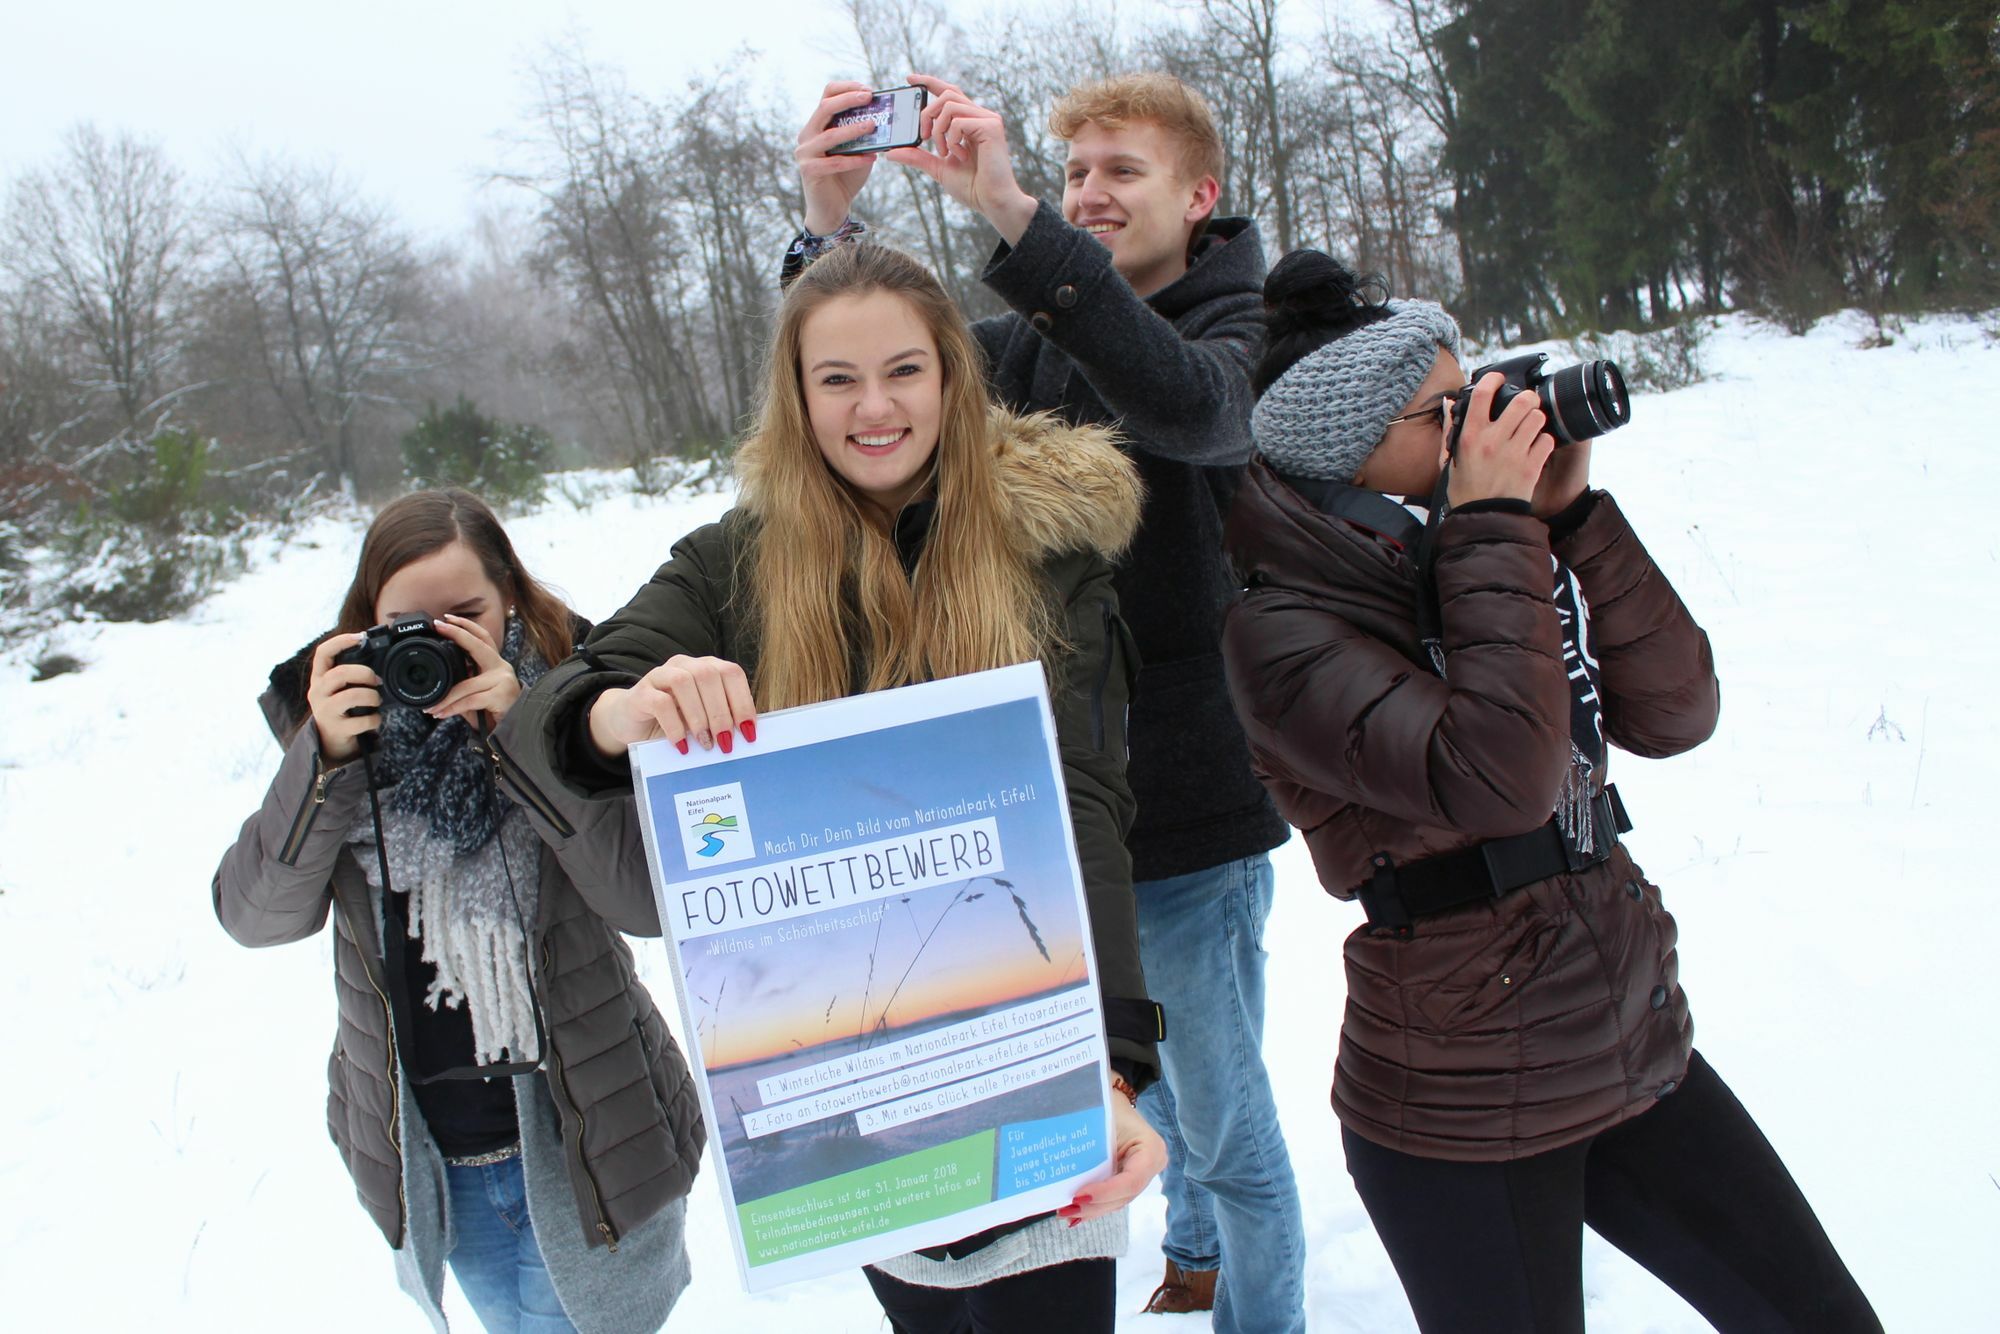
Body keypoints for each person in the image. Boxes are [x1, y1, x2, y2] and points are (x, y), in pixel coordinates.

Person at [500, 242, 1167, 1332]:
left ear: (951, 376)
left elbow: (1084, 806)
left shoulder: (1048, 558)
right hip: (859, 1096)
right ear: (797, 396)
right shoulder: (731, 563)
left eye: (904, 370)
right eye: (838, 379)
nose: (875, 407)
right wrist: (623, 709)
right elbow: (545, 718)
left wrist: (1113, 1065)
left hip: (1020, 1047)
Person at [1219, 250, 1882, 1334]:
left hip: (1624, 1035)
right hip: (1462, 1106)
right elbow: (1500, 779)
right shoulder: (1279, 631)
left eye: (1471, 394)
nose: (1473, 426)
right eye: (1441, 413)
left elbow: (1676, 713)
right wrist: (1492, 524)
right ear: (1349, 452)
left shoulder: (1473, 550)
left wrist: (1569, 518)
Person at [789, 71, 1304, 1330]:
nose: (1089, 194)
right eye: (1074, 174)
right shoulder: (1037, 329)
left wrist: (1013, 212)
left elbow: (1184, 404)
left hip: (1183, 815)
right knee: (1130, 1085)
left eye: (1121, 171)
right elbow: (882, 387)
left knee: (1224, 1124)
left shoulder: (1237, 326)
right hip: (1055, 814)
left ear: (1201, 193)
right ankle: (1189, 1253)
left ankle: (1261, 1310)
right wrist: (826, 223)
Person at [213, 488, 703, 1334]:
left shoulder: (581, 702)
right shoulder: (338, 727)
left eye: (463, 616)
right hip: (439, 1160)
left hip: (587, 1140)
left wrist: (529, 733)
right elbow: (255, 917)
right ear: (369, 622)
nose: (436, 644)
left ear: (509, 594)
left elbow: (638, 897)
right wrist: (324, 760)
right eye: (408, 623)